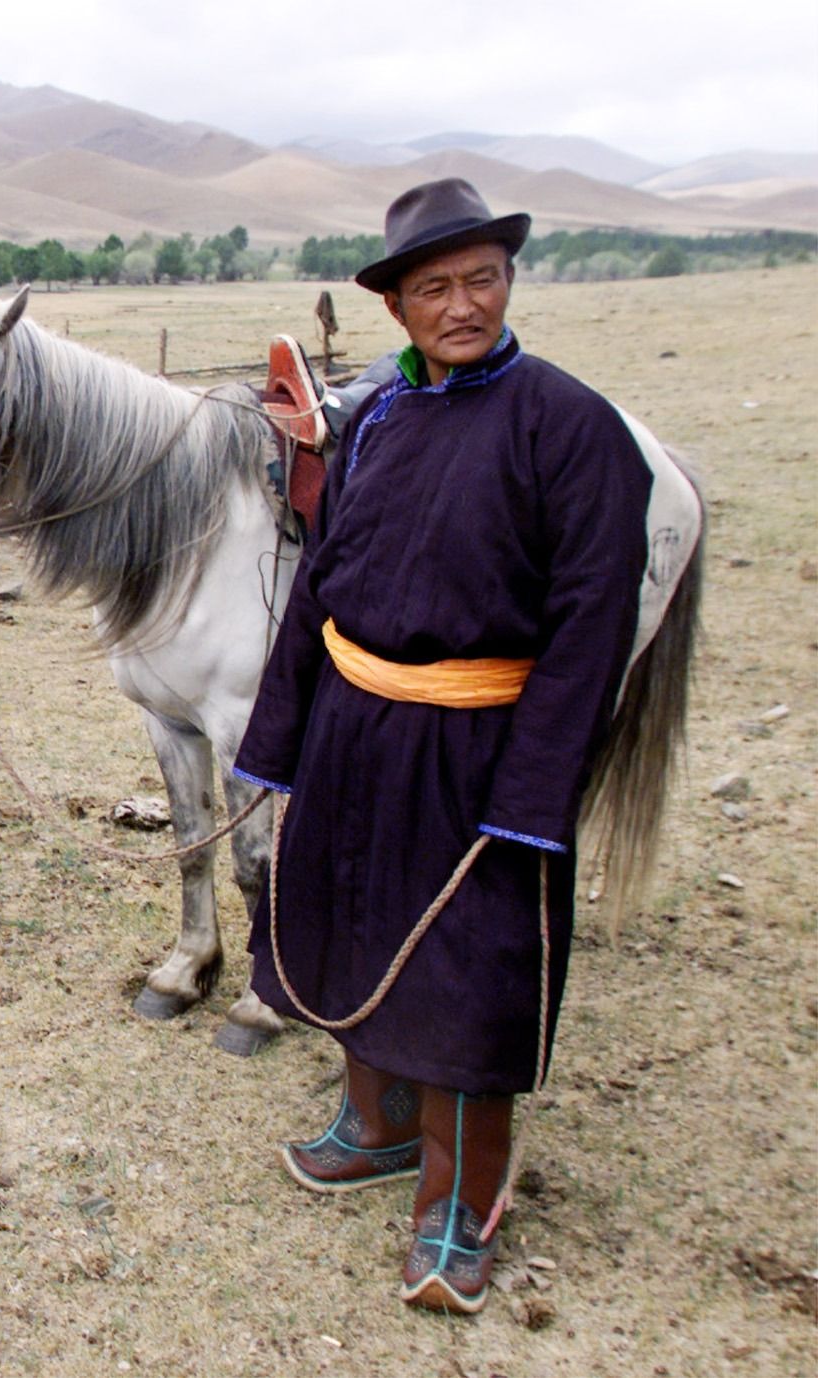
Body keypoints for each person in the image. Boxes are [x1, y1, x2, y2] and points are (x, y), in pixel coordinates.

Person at [235, 178, 655, 1315]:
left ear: (508, 282)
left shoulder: (570, 428)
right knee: (339, 921)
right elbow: (316, 586)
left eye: (479, 279)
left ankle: (456, 1200)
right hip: (352, 728)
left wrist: (529, 797)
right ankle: (371, 1123)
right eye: (434, 286)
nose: (460, 304)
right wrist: (276, 740)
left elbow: (589, 629)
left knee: (469, 973)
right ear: (397, 306)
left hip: (479, 747)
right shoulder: (373, 419)